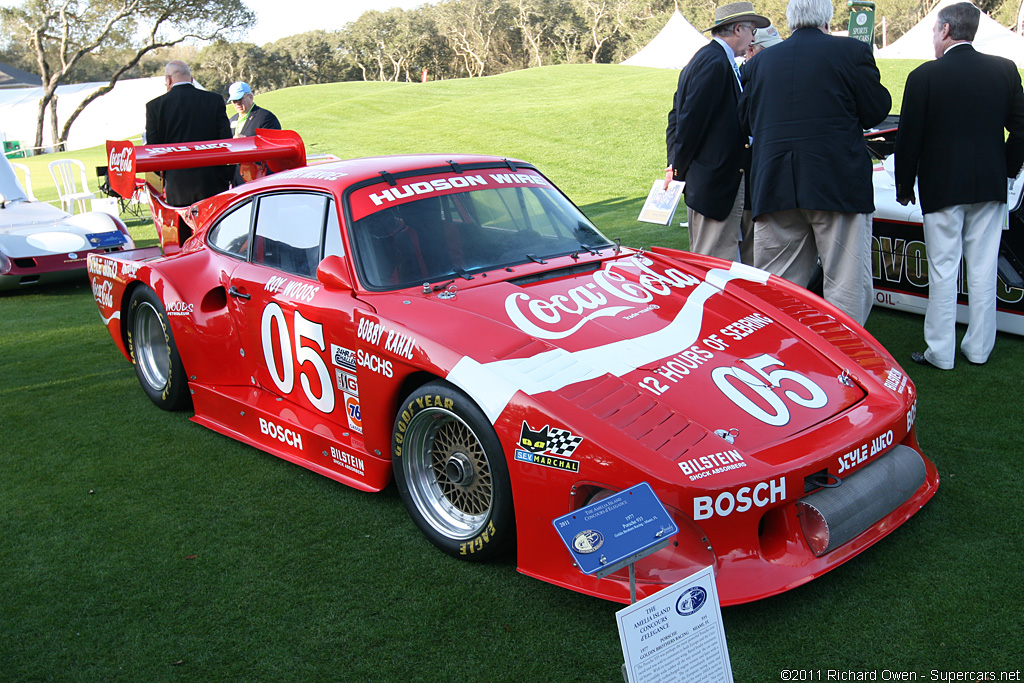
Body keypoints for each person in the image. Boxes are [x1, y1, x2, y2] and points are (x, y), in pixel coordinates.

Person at [738, 0, 890, 326]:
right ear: (827, 17)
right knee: (845, 283)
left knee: (779, 286)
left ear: (791, 20)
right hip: (837, 184)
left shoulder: (762, 63)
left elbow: (746, 121)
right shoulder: (851, 52)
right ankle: (845, 360)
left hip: (775, 185)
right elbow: (876, 109)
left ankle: (783, 358)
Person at [894, 2, 1024, 369]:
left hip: (942, 186)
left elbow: (909, 140)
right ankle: (979, 348)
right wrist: (1007, 167)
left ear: (947, 30)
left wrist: (905, 186)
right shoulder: (1004, 70)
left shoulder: (924, 77)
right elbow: (1021, 127)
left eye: (935, 31)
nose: (933, 38)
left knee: (943, 269)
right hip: (989, 184)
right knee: (983, 269)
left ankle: (941, 352)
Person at [665, 1, 769, 265]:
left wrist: (676, 164)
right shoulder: (714, 62)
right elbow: (688, 121)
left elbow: (678, 116)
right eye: (751, 30)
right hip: (713, 184)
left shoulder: (712, 59)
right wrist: (677, 169)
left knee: (718, 261)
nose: (753, 37)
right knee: (712, 265)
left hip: (714, 181)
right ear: (737, 29)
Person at [144, 60, 233, 207]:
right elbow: (225, 139)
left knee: (183, 227)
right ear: (191, 79)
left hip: (177, 181)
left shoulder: (155, 107)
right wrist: (225, 174)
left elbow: (153, 147)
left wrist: (165, 174)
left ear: (168, 79)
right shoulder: (214, 100)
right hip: (212, 178)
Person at [227, 81, 282, 185]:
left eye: (240, 99)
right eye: (234, 101)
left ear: (251, 97)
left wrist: (247, 140)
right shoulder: (231, 120)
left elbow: (274, 146)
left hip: (261, 178)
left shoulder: (265, 117)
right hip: (238, 180)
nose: (237, 103)